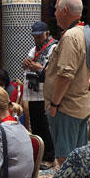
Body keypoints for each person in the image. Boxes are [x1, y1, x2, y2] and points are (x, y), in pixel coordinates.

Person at [43, 0, 90, 166]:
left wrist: (55, 104)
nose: (54, 14)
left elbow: (65, 75)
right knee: (79, 157)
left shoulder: (71, 36)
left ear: (64, 10)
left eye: (55, 9)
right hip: (80, 104)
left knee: (65, 159)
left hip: (66, 107)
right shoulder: (86, 32)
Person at [21, 21, 56, 165]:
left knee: (45, 124)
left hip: (46, 92)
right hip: (34, 90)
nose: (37, 39)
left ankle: (49, 156)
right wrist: (26, 64)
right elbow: (28, 62)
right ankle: (39, 153)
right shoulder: (34, 49)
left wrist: (39, 68)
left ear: (47, 33)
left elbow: (53, 71)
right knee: (35, 124)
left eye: (39, 36)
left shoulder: (54, 48)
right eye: (34, 36)